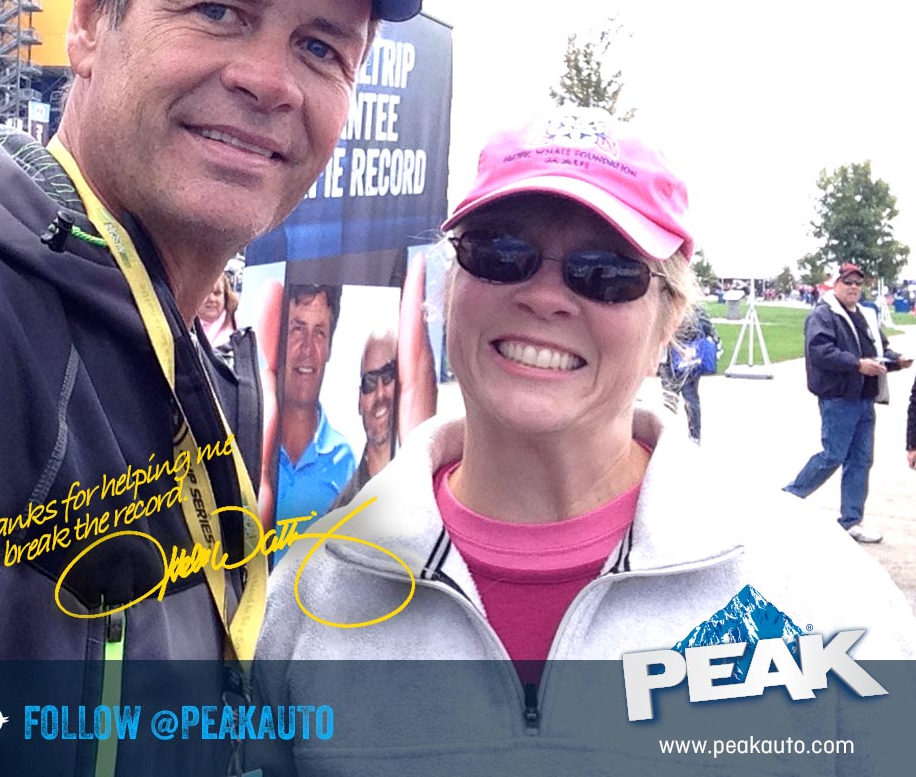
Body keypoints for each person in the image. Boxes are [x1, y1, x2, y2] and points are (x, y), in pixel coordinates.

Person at [0, 0, 424, 733]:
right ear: (88, 23)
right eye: (219, 11)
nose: (271, 81)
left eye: (321, 47)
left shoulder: (206, 374)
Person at [251, 112, 915, 776]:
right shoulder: (315, 589)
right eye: (500, 251)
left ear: (667, 323)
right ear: (452, 285)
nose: (545, 298)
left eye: (606, 271)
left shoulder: (817, 587)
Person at [784, 262, 912, 542]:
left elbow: (879, 349)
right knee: (833, 455)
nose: (854, 287)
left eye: (858, 283)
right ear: (836, 285)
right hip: (839, 398)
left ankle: (851, 521)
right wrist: (857, 364)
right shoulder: (823, 314)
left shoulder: (866, 314)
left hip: (865, 398)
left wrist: (896, 361)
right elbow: (820, 351)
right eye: (848, 282)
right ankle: (787, 499)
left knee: (861, 460)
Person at [275, 284, 355, 537]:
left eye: (319, 332)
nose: (307, 349)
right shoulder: (250, 444)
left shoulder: (346, 462)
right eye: (297, 329)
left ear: (330, 347)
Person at [335, 328, 399, 507]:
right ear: (359, 402)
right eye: (369, 382)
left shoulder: (431, 485)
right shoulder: (341, 512)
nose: (380, 393)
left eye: (388, 375)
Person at [658, 301, 719, 443]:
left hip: (675, 358)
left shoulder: (673, 305)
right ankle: (694, 436)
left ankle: (675, 435)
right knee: (689, 399)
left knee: (673, 399)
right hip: (687, 358)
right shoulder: (692, 305)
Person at [198, 271, 240, 352]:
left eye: (217, 293)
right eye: (205, 293)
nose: (211, 299)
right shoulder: (184, 327)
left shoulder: (238, 322)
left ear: (225, 295)